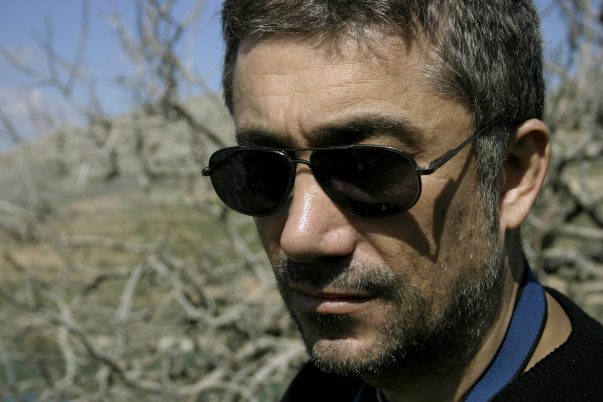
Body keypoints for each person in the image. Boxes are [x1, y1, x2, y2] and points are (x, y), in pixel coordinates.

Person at [203, 1, 603, 400]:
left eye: (368, 168)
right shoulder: (318, 390)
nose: (299, 236)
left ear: (511, 175)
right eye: (263, 169)